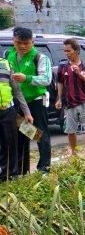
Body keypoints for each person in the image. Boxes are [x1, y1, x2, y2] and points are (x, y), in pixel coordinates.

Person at [6, 27, 52, 174]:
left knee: (40, 135)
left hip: (36, 101)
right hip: (18, 102)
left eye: (26, 43)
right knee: (22, 135)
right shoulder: (8, 55)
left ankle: (44, 168)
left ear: (32, 42)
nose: (23, 46)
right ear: (13, 41)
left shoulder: (40, 57)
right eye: (19, 42)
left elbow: (47, 79)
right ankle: (22, 170)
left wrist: (27, 78)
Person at [55, 39, 85, 159]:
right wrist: (59, 98)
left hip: (84, 101)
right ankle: (73, 152)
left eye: (69, 51)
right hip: (69, 103)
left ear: (77, 51)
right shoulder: (62, 66)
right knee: (70, 131)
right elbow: (60, 83)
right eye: (65, 51)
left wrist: (79, 74)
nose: (66, 53)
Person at [0, 58, 32, 182]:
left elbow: (17, 92)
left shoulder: (6, 64)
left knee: (10, 143)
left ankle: (11, 175)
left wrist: (27, 113)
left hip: (8, 111)